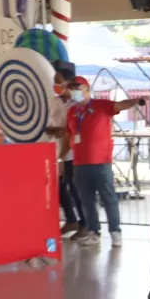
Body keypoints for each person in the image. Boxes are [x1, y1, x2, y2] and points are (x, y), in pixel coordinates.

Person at [62, 76, 144, 248]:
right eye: (73, 89)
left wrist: (135, 101)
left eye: (79, 88)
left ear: (87, 89)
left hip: (101, 162)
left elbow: (120, 105)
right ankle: (93, 231)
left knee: (109, 198)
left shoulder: (101, 105)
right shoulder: (72, 112)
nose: (75, 92)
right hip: (79, 163)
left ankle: (115, 232)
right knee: (86, 200)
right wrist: (61, 158)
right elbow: (69, 134)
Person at [44, 62, 81, 237]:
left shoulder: (78, 101)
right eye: (55, 82)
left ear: (68, 82)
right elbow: (48, 126)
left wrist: (66, 131)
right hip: (57, 150)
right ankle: (71, 220)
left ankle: (85, 224)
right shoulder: (54, 101)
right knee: (60, 187)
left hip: (74, 150)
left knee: (75, 187)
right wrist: (57, 130)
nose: (56, 86)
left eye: (59, 81)